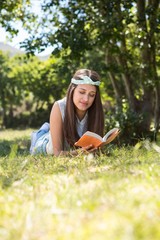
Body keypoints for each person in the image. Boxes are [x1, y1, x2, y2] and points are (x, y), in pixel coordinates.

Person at [30, 68, 104, 156]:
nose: (86, 99)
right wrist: (80, 153)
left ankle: (47, 129)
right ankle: (39, 134)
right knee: (39, 139)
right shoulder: (59, 106)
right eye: (81, 92)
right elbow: (57, 154)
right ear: (72, 90)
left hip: (67, 147)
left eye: (91, 95)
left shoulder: (95, 111)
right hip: (44, 145)